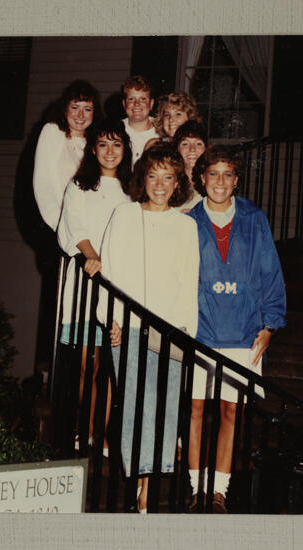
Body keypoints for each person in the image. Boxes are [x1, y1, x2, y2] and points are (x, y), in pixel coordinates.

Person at [98, 144, 199, 513]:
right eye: (153, 175)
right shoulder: (124, 215)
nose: (159, 184)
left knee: (165, 409)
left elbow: (190, 281)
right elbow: (109, 270)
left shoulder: (187, 225)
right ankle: (139, 487)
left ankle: (146, 493)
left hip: (170, 331)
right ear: (143, 178)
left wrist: (186, 332)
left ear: (177, 184)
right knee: (137, 408)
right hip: (128, 328)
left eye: (168, 177)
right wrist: (111, 319)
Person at [187, 146, 286, 513]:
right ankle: (197, 487)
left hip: (243, 331)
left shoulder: (254, 218)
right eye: (213, 174)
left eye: (228, 174)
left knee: (231, 412)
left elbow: (270, 273)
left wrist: (270, 325)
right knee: (195, 410)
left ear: (237, 181)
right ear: (201, 178)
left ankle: (219, 491)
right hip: (201, 329)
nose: (220, 181)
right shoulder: (188, 221)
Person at [57, 118, 132, 453]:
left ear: (126, 149)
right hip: (89, 285)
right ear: (93, 149)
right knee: (90, 366)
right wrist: (93, 258)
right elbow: (74, 229)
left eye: (117, 144)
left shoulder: (133, 190)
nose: (110, 151)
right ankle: (84, 433)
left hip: (123, 288)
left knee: (112, 366)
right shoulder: (80, 186)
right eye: (103, 144)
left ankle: (100, 435)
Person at [33, 79, 102, 232]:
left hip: (90, 228)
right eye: (75, 107)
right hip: (60, 225)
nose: (81, 115)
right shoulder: (53, 132)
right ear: (65, 110)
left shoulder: (97, 143)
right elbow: (43, 182)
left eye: (88, 109)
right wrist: (58, 224)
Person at [121, 75, 159, 166]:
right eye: (131, 99)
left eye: (143, 99)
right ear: (124, 104)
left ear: (151, 103)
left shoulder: (162, 130)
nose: (137, 104)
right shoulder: (116, 130)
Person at [173, 120, 207, 212]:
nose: (192, 149)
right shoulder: (170, 181)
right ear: (177, 149)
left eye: (198, 144)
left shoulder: (212, 182)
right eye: (185, 144)